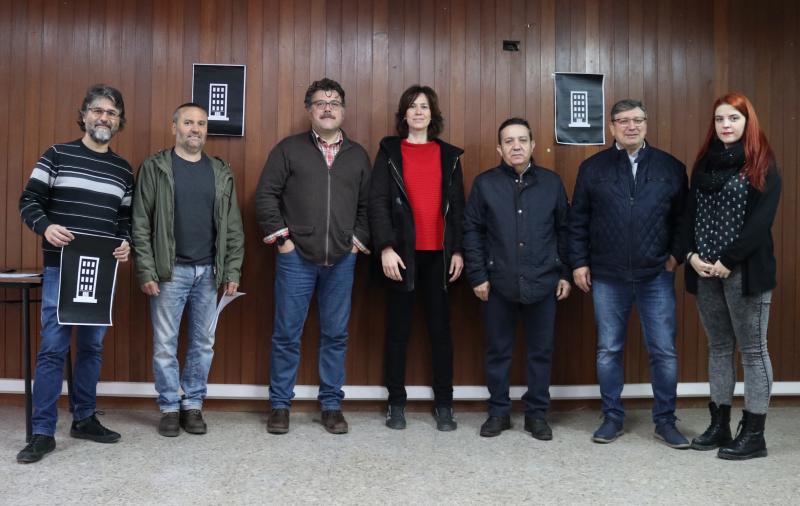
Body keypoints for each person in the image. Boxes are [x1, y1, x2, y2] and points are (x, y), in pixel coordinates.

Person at [16, 84, 134, 463]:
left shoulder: (123, 170)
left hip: (101, 272)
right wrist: (46, 227)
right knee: (53, 349)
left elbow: (125, 220)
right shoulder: (57, 155)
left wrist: (126, 243)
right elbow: (29, 200)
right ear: (84, 115)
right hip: (60, 268)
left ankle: (84, 419)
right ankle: (42, 432)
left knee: (92, 348)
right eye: (97, 110)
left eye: (111, 113)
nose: (104, 118)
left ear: (119, 121)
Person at [568, 99, 690, 448]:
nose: (631, 126)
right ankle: (612, 417)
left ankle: (665, 421)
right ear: (612, 127)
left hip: (656, 275)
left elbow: (684, 219)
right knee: (608, 349)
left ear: (646, 124)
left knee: (663, 351)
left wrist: (675, 257)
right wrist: (578, 262)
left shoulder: (671, 167)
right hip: (608, 275)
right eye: (623, 121)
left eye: (637, 120)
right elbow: (578, 220)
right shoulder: (592, 168)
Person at [255, 78, 371, 435]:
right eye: (320, 102)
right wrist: (283, 241)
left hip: (342, 260)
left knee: (336, 335)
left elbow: (368, 206)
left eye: (334, 103)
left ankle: (331, 406)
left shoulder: (358, 155)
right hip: (296, 259)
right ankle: (279, 406)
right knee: (287, 334)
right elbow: (266, 195)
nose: (327, 108)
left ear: (343, 111)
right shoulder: (288, 149)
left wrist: (355, 243)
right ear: (310, 110)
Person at [132, 102, 245, 437]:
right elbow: (140, 223)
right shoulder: (155, 167)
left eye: (201, 123)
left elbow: (233, 227)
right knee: (165, 344)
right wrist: (146, 270)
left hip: (210, 273)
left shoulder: (220, 171)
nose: (195, 129)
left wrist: (232, 270)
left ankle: (192, 404)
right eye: (188, 122)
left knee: (203, 344)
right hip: (169, 272)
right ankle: (169, 406)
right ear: (174, 128)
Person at [683, 92, 780, 460]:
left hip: (745, 272)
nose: (726, 125)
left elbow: (761, 222)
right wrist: (691, 256)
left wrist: (729, 259)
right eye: (720, 119)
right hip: (705, 271)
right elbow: (688, 215)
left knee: (753, 352)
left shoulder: (762, 162)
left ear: (747, 122)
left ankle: (754, 435)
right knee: (720, 348)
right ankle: (719, 425)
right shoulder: (703, 164)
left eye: (734, 118)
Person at [463, 117, 571, 440]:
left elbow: (565, 231)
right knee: (498, 352)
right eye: (509, 141)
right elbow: (472, 232)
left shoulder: (551, 183)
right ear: (499, 148)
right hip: (498, 284)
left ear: (533, 145)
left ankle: (537, 415)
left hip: (544, 282)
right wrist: (478, 276)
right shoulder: (485, 184)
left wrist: (565, 272)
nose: (516, 146)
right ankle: (499, 412)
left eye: (522, 140)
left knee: (541, 352)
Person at [368, 85, 465, 431]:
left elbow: (458, 208)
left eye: (424, 106)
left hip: (440, 256)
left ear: (432, 114)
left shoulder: (449, 155)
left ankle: (445, 405)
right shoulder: (389, 151)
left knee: (441, 332)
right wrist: (386, 247)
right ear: (404, 114)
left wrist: (458, 250)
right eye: (412, 106)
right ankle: (396, 403)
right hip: (402, 255)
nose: (419, 112)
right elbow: (378, 203)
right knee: (398, 332)